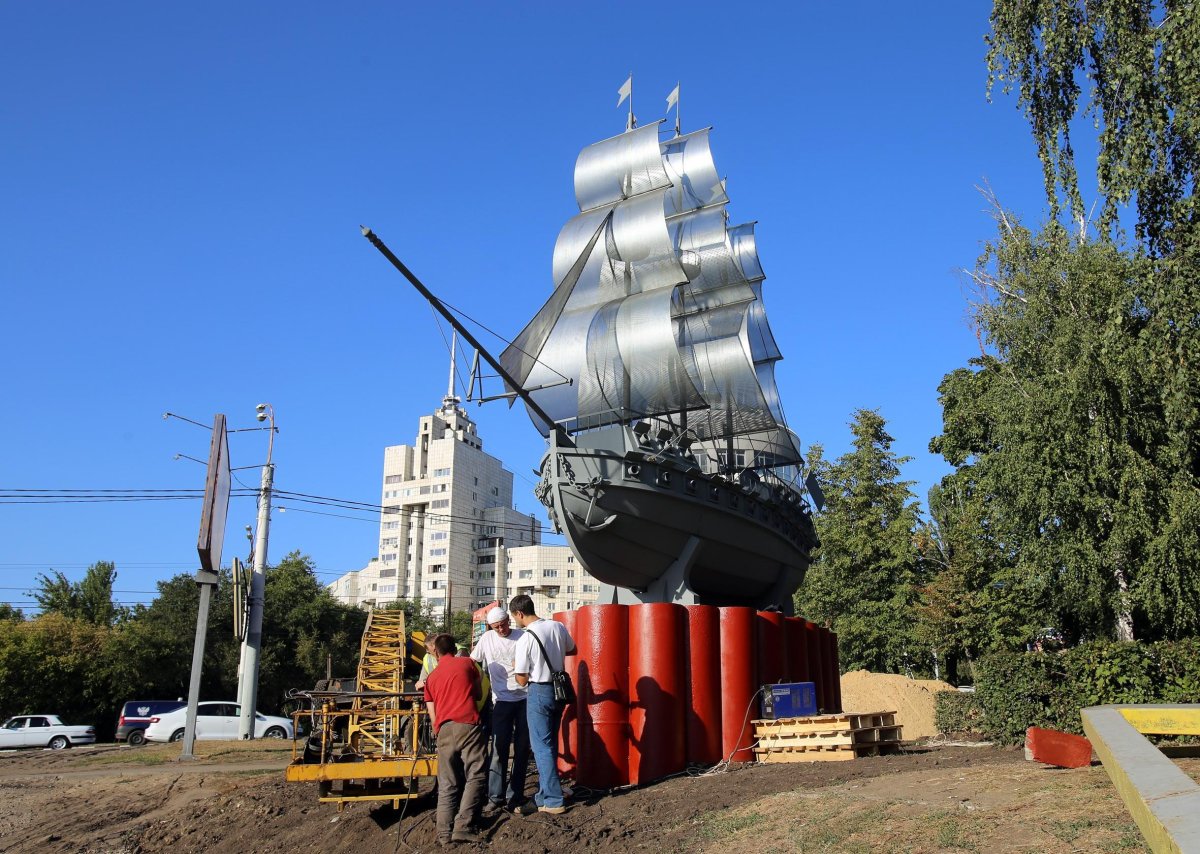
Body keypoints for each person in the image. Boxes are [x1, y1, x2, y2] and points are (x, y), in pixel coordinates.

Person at [510, 594, 575, 815]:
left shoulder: (525, 638)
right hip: (559, 691)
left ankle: (554, 800)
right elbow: (572, 649)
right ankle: (543, 795)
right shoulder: (557, 626)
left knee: (541, 747)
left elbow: (520, 679)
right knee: (550, 744)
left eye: (514, 617)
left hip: (539, 691)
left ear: (519, 614)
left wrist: (519, 667)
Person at [422, 633, 487, 844]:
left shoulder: (431, 678)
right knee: (476, 774)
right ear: (454, 647)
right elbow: (477, 694)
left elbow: (431, 707)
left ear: (435, 651)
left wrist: (437, 727)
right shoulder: (467, 663)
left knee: (447, 783)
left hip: (443, 729)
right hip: (467, 724)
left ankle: (443, 834)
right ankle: (463, 826)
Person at [471, 606, 530, 815]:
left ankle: (515, 794)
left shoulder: (522, 637)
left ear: (509, 620)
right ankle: (495, 796)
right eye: (496, 627)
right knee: (498, 749)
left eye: (503, 625)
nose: (501, 630)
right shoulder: (487, 638)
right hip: (501, 701)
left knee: (522, 749)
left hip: (524, 698)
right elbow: (472, 662)